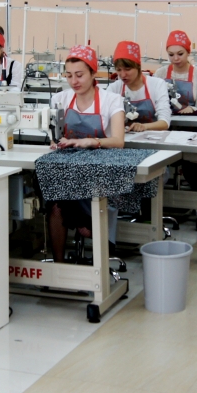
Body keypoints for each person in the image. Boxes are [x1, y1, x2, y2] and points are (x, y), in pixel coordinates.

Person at [46, 45, 126, 262]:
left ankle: (98, 261)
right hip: (68, 168)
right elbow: (53, 135)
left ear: (93, 73)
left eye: (80, 75)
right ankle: (59, 266)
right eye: (69, 75)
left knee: (75, 212)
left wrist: (92, 141)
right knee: (55, 203)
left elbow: (118, 141)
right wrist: (55, 142)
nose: (74, 81)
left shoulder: (111, 100)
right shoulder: (60, 99)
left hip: (101, 169)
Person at [107, 40, 170, 132]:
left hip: (152, 137)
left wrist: (144, 126)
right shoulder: (114, 89)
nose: (123, 75)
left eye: (127, 69)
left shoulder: (157, 85)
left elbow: (165, 122)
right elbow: (104, 120)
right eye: (119, 70)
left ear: (138, 66)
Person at [162, 30, 197, 114]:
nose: (176, 58)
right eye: (171, 55)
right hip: (166, 120)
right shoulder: (161, 73)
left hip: (192, 120)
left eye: (180, 54)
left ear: (188, 52)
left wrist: (192, 109)